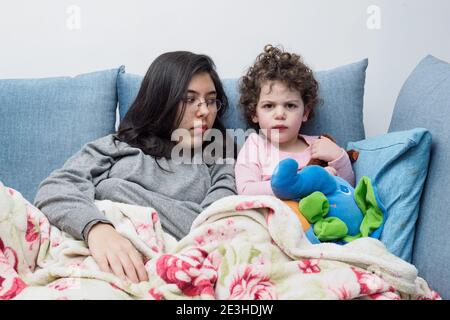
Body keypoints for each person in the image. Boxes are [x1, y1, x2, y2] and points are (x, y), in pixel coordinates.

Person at [34, 51, 237, 284]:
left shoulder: (218, 156)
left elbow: (213, 226)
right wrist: (97, 228)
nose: (204, 111)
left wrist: (113, 189)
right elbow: (54, 188)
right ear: (162, 102)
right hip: (91, 252)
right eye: (189, 100)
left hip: (159, 266)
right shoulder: (114, 147)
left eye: (211, 101)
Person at [235, 45, 355, 196]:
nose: (280, 114)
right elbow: (245, 191)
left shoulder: (318, 145)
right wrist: (296, 186)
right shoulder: (255, 146)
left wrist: (339, 157)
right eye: (269, 106)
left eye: (290, 105)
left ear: (305, 112)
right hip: (276, 216)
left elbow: (348, 190)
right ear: (254, 113)